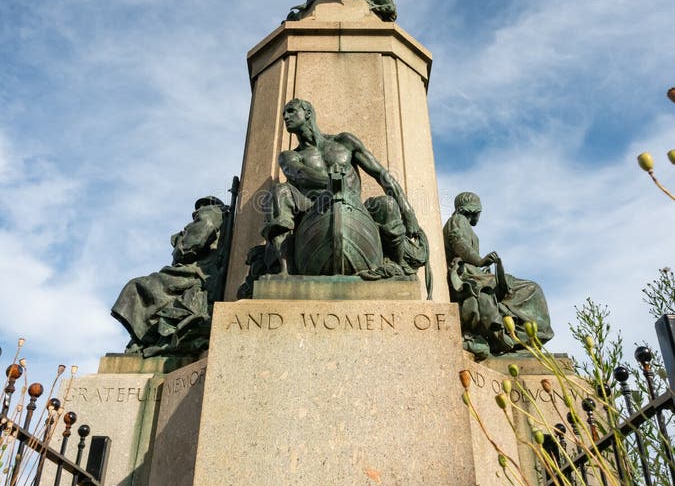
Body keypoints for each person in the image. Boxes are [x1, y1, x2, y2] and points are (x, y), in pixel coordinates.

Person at [263, 99, 426, 281]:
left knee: (386, 204)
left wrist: (408, 212)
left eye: (291, 111)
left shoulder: (344, 142)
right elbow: (298, 174)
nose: (285, 116)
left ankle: (399, 267)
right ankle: (285, 269)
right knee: (279, 192)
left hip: (354, 207)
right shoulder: (290, 155)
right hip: (312, 208)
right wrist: (333, 182)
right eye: (285, 113)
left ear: (308, 113)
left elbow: (382, 175)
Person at [111, 197, 228, 357]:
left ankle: (143, 340)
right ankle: (144, 339)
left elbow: (190, 245)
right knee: (145, 289)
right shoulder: (221, 216)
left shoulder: (212, 212)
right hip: (198, 269)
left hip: (196, 271)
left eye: (200, 208)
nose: (197, 212)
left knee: (136, 287)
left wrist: (180, 244)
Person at [443, 192, 553, 359]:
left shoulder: (463, 224)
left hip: (477, 273)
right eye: (479, 211)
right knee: (530, 289)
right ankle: (517, 335)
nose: (479, 216)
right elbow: (459, 245)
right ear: (472, 209)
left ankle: (520, 334)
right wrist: (480, 262)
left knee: (528, 288)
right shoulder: (457, 221)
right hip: (467, 275)